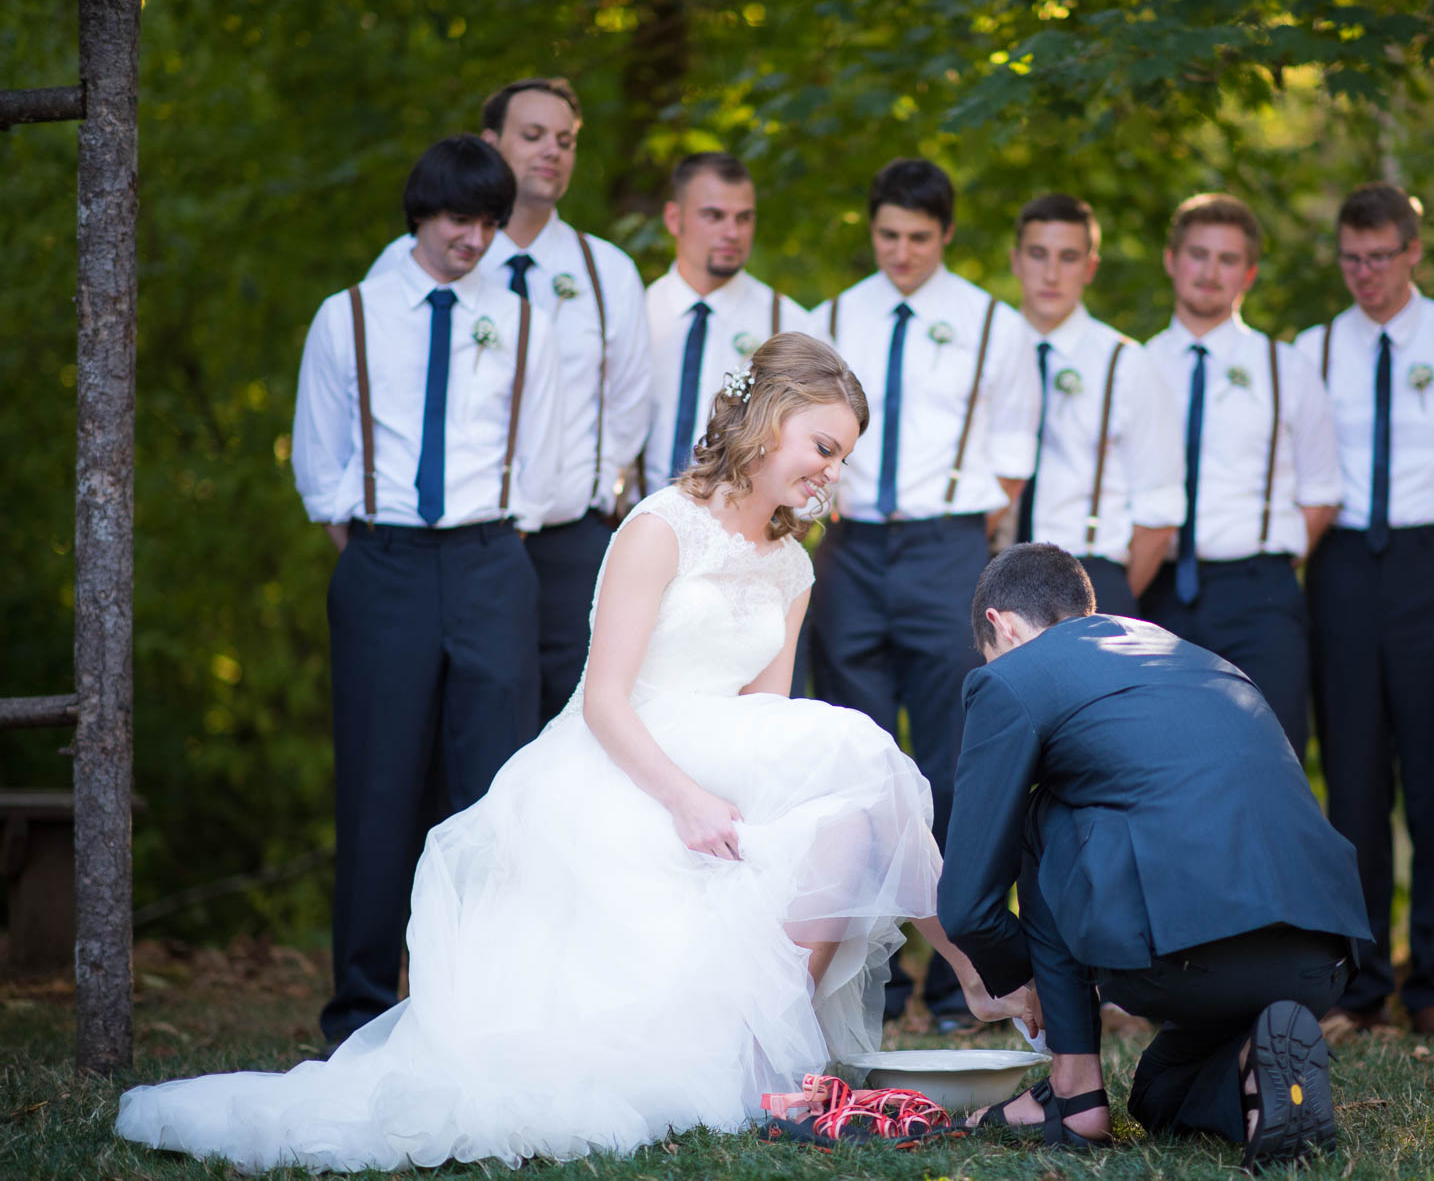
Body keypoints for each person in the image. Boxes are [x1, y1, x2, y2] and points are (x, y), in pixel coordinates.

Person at [117, 334, 1028, 1172]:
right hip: (624, 755)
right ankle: (969, 964)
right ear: (766, 422)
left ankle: (773, 1053)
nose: (831, 473)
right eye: (822, 447)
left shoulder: (793, 566)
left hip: (720, 751)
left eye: (842, 456)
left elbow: (769, 716)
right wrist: (684, 801)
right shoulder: (660, 525)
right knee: (863, 748)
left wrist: (752, 805)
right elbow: (603, 698)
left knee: (849, 795)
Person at [938, 543, 1370, 1170]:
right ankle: (1257, 1069)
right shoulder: (1191, 656)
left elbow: (967, 906)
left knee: (1043, 812)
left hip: (1180, 955)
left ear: (999, 624)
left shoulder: (1011, 677)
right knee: (1159, 1093)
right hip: (1320, 957)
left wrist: (1021, 979)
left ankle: (1075, 1092)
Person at [291, 134, 562, 1047]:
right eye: (457, 219)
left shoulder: (524, 320)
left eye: (488, 222)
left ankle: (474, 1007)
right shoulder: (351, 316)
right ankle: (359, 1009)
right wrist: (375, 541)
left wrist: (489, 539)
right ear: (420, 214)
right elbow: (321, 457)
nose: (473, 239)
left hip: (491, 563)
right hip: (385, 564)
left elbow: (545, 460)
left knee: (489, 793)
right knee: (378, 784)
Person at [810, 158, 1039, 1029]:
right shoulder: (832, 316)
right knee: (856, 757)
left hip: (948, 545)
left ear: (945, 235)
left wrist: (966, 534)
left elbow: (1011, 455)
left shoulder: (991, 322)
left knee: (948, 760)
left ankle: (957, 984)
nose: (901, 252)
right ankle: (871, 977)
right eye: (887, 236)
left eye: (918, 237)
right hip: (854, 546)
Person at [1292, 182, 1434, 1037]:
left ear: (1412, 252)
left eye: (1381, 258)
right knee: (1353, 780)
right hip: (1344, 566)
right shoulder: (1310, 350)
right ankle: (1360, 984)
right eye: (1351, 259)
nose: (1366, 275)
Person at [369, 77, 654, 727]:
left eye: (565, 141)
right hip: (452, 543)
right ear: (489, 142)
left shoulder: (607, 270)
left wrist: (584, 490)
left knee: (575, 731)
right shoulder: (408, 261)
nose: (551, 151)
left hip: (570, 542)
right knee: (452, 729)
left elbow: (630, 398)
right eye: (532, 137)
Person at [1141, 193, 1340, 757]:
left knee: (1269, 762)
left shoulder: (1287, 368)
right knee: (1160, 764)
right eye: (1197, 254)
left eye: (1227, 259)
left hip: (1261, 600)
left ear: (1248, 273)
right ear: (1171, 260)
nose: (1210, 271)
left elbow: (1321, 494)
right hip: (1159, 598)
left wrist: (1257, 563)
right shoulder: (1135, 366)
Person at [1008, 193, 1184, 616]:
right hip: (993, 568)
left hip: (1089, 572)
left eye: (1068, 257)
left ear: (1090, 267)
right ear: (1016, 261)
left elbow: (1159, 509)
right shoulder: (985, 349)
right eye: (1038, 254)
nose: (1051, 273)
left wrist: (1107, 594)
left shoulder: (1126, 362)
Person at [642, 152, 815, 496]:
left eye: (744, 218)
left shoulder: (788, 324)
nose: (732, 232)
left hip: (743, 529)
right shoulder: (636, 311)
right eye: (714, 216)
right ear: (675, 219)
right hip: (636, 516)